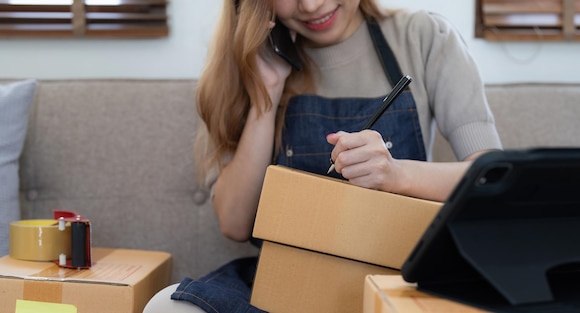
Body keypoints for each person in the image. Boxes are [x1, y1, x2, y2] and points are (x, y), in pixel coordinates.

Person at [143, 0, 502, 312]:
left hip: (397, 284)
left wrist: (398, 175)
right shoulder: (250, 60)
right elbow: (235, 223)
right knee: (166, 306)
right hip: (282, 285)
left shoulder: (424, 36)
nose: (312, 6)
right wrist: (265, 95)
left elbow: (494, 178)